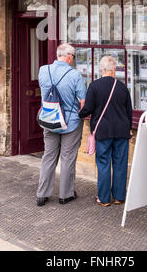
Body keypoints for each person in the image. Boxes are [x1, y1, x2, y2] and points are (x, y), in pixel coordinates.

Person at [36, 43, 86, 206]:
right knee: (67, 158)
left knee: (48, 156)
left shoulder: (43, 70)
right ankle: (65, 194)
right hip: (70, 123)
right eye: (73, 57)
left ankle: (42, 194)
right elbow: (83, 101)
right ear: (69, 56)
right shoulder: (75, 75)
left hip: (49, 119)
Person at [79, 55, 132, 207]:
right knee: (120, 163)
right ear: (114, 69)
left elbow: (88, 108)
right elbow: (129, 111)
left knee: (103, 163)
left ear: (101, 69)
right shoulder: (122, 87)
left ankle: (103, 198)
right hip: (121, 130)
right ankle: (119, 196)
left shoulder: (94, 86)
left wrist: (79, 115)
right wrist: (129, 128)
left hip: (103, 131)